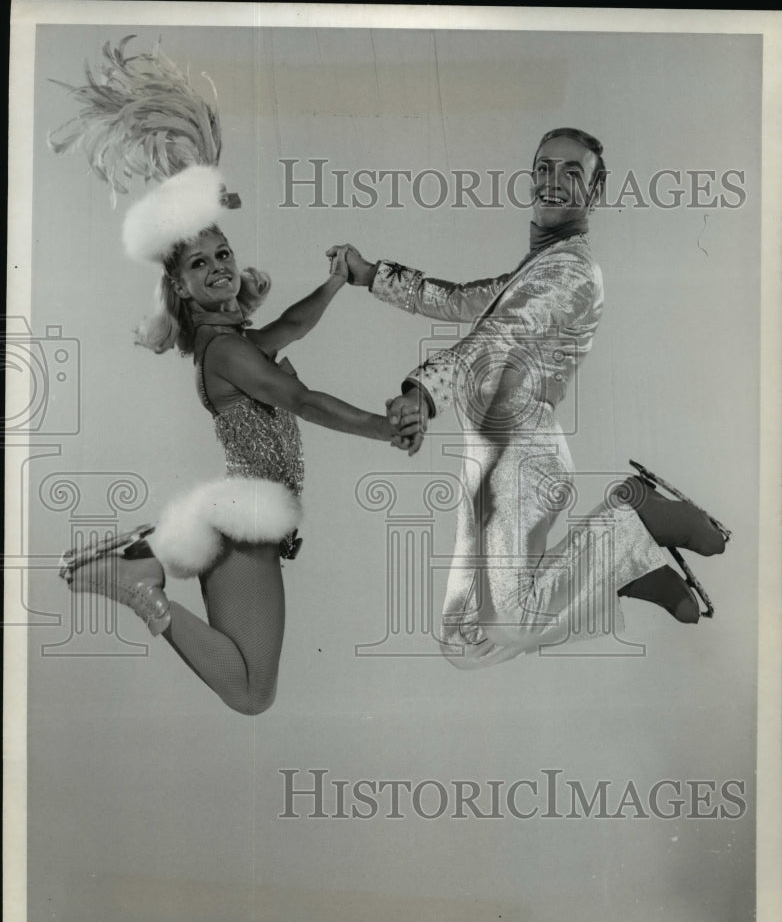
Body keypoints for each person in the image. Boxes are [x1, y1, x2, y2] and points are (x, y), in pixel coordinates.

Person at [53, 39, 394, 715]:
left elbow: (287, 331)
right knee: (249, 692)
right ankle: (136, 583)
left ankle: (141, 568)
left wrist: (333, 285)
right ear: (179, 288)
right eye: (199, 265)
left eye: (223, 253)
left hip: (242, 522)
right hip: (243, 526)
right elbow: (301, 397)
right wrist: (384, 429)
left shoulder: (230, 341)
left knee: (253, 689)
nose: (218, 268)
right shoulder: (225, 351)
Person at [328, 128, 730, 668]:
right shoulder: (537, 268)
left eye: (573, 173)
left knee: (510, 623)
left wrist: (426, 391)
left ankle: (640, 521)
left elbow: (497, 341)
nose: (553, 182)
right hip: (488, 459)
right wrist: (373, 275)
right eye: (545, 168)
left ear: (596, 191)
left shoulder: (572, 273)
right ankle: (625, 565)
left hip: (523, 453)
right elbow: (463, 299)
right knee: (465, 641)